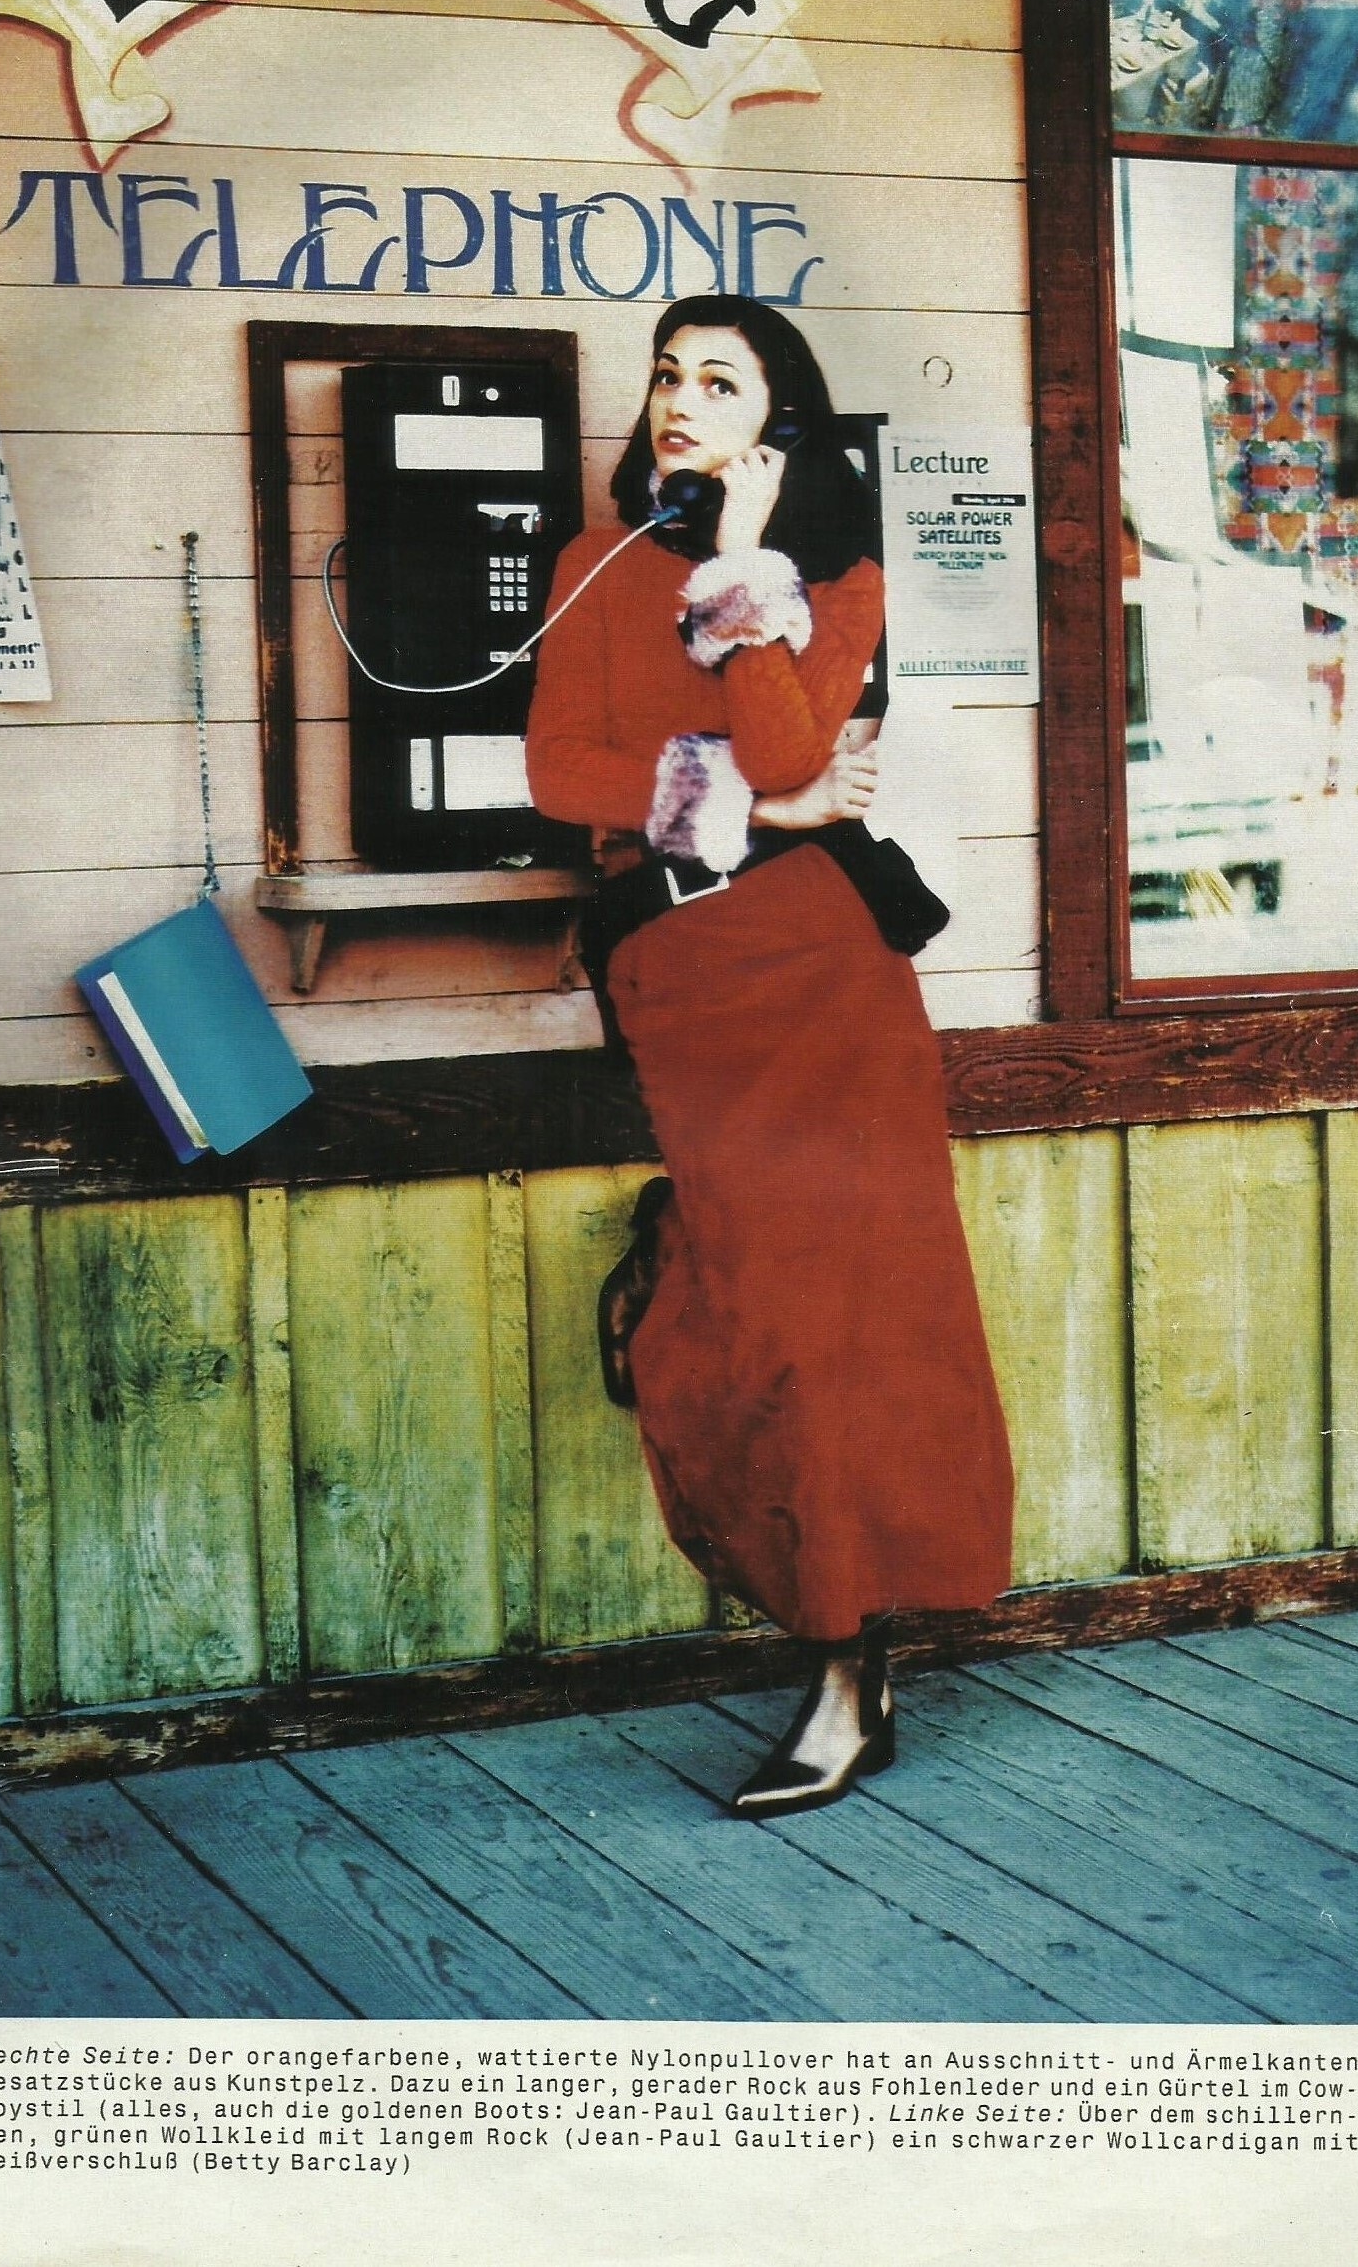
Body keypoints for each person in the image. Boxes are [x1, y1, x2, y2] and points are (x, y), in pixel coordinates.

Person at [525, 295, 1014, 1818]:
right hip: (684, 982)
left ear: (779, 427)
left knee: (836, 1326)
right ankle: (828, 1615)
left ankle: (849, 1674)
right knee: (736, 1321)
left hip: (823, 989)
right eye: (667, 376)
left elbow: (800, 755)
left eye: (721, 384)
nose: (679, 400)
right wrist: (744, 801)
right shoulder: (594, 565)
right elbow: (555, 770)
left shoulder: (835, 578)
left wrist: (742, 568)